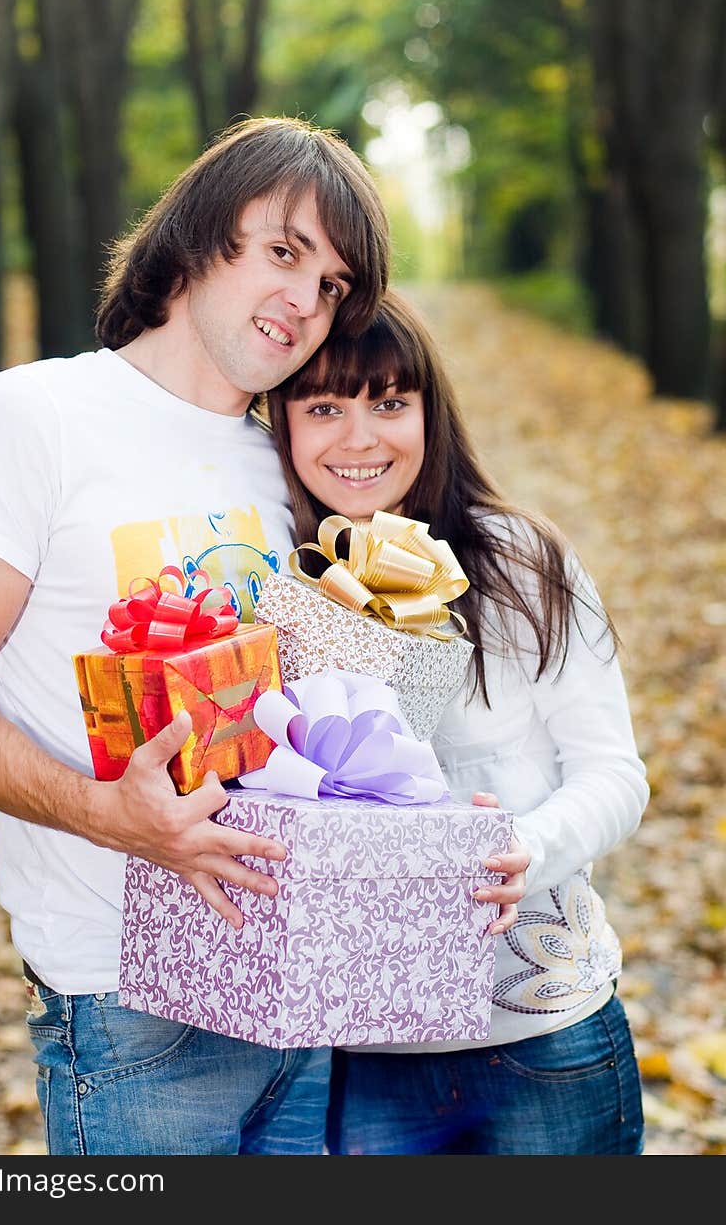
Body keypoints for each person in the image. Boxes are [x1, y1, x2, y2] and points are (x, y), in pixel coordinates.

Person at [0, 115, 397, 1156]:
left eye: (334, 285)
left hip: (296, 984)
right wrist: (106, 814)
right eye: (284, 252)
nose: (305, 302)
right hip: (126, 1003)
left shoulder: (287, 461)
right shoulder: (31, 418)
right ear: (199, 235)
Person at [264, 288, 649, 1155]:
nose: (360, 437)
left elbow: (616, 775)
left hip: (543, 1029)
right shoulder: (269, 588)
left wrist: (528, 845)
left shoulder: (521, 562)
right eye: (323, 406)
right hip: (363, 1049)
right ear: (279, 421)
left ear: (431, 414)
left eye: (390, 402)